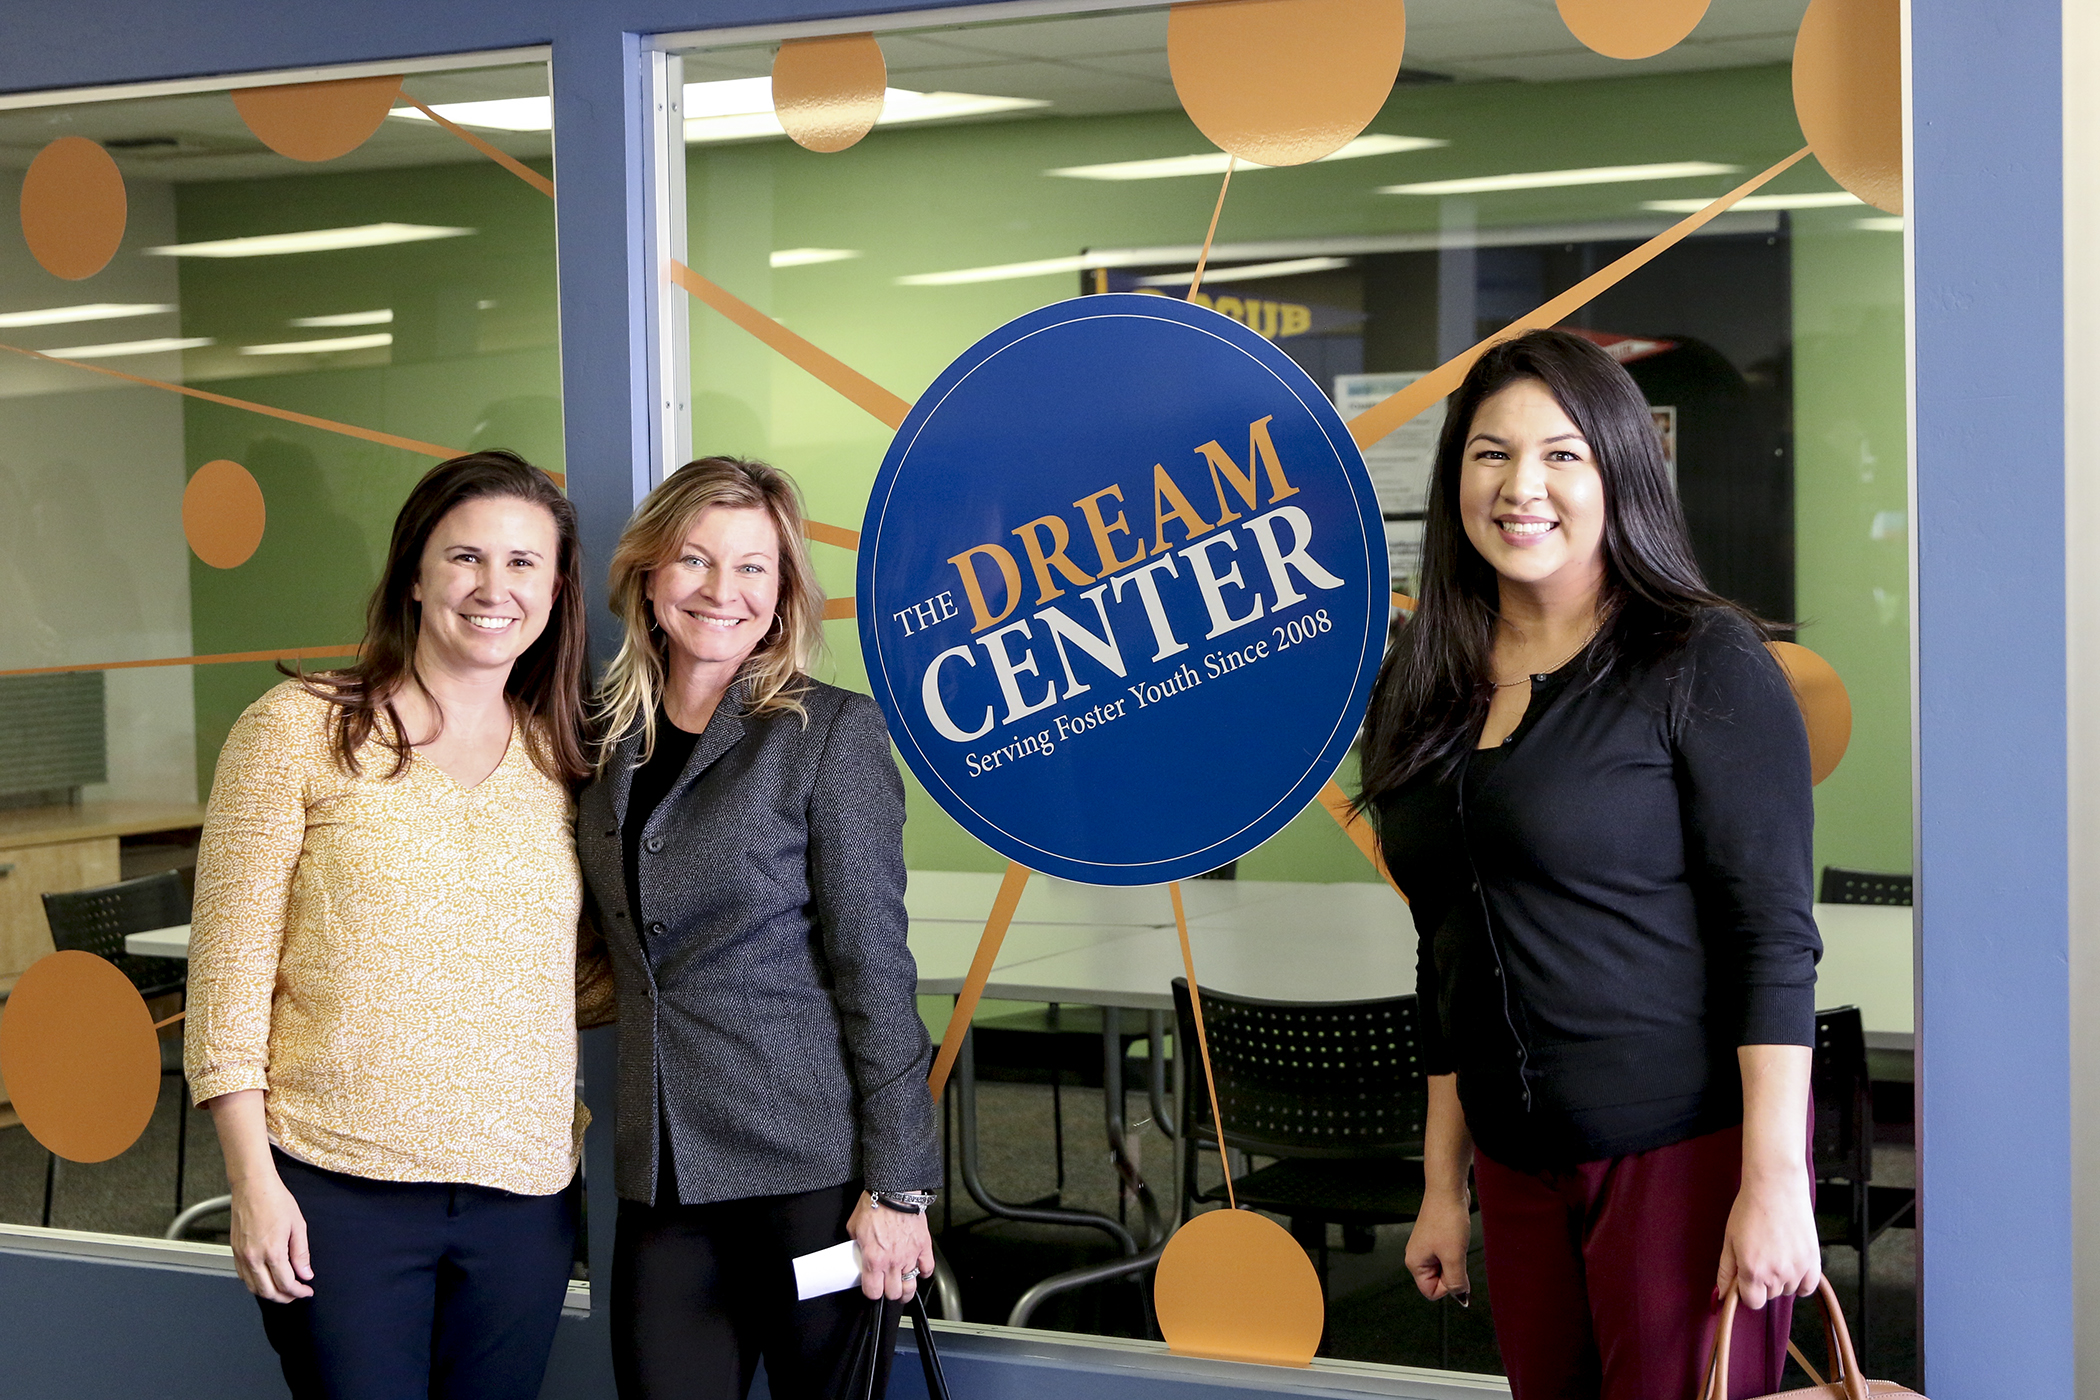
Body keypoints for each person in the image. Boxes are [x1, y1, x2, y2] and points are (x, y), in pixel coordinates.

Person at [1358, 330, 1823, 1399]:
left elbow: (1772, 938)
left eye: (1563, 453)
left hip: (1677, 1153)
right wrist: (1445, 1181)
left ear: (1620, 470)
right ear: (1455, 478)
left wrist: (1775, 1180)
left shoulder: (1700, 658)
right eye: (1490, 454)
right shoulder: (1422, 684)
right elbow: (1445, 947)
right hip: (1519, 1161)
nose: (1524, 486)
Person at [186, 451, 598, 1400]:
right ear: (415, 574)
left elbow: (584, 972)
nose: (494, 588)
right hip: (336, 1190)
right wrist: (253, 1182)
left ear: (557, 588)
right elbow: (227, 981)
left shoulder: (565, 759)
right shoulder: (297, 729)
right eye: (465, 558)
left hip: (521, 1199)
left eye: (524, 563)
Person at [579, 456, 940, 1400]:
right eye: (695, 561)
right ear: (649, 576)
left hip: (810, 1169)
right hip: (662, 1172)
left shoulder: (829, 735)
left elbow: (876, 971)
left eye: (753, 568)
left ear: (782, 595)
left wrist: (900, 1186)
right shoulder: (602, 740)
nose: (721, 591)